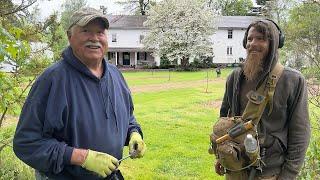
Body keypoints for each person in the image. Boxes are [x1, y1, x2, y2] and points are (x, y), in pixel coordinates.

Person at [13, 7, 146, 180]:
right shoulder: (52, 80)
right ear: (70, 36)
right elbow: (26, 143)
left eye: (100, 32)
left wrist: (134, 133)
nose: (94, 38)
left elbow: (127, 116)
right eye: (86, 31)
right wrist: (82, 157)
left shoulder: (116, 75)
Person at [214, 19, 310, 179]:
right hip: (236, 169)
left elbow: (300, 132)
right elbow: (224, 119)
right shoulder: (235, 78)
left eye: (261, 39)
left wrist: (288, 174)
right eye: (250, 39)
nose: (253, 44)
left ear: (274, 44)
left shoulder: (292, 80)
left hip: (271, 172)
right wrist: (220, 156)